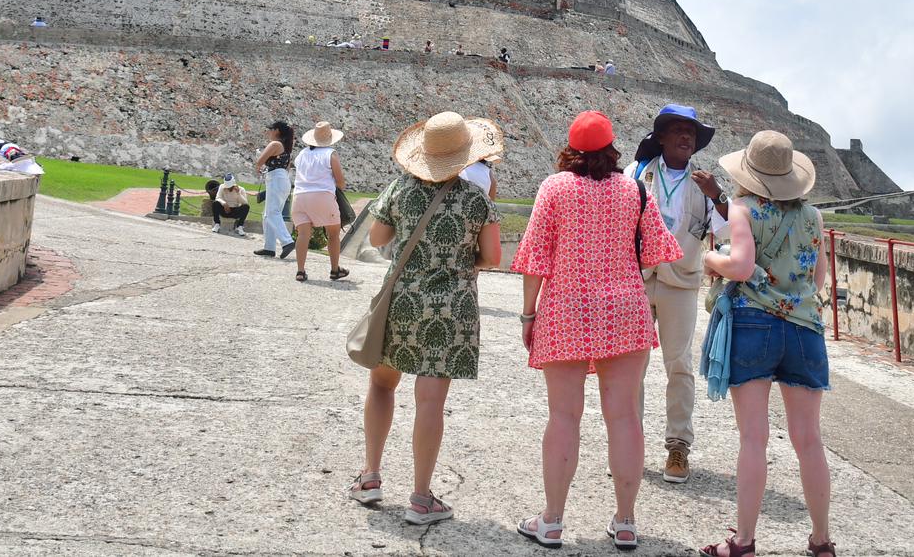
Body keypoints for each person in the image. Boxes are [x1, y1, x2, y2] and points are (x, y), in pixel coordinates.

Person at [513, 111, 682, 551]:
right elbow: (656, 252)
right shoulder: (634, 189)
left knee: (563, 416)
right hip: (625, 309)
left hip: (566, 308)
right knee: (624, 417)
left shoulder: (554, 188)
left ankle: (552, 520)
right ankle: (625, 522)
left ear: (570, 149)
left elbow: (535, 258)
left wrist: (528, 316)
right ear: (611, 148)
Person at [349, 112, 504, 524]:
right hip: (451, 308)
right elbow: (493, 257)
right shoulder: (477, 199)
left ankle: (370, 476)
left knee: (381, 384)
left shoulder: (399, 188)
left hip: (402, 300)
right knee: (431, 402)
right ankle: (421, 498)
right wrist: (462, 260)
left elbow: (377, 238)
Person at [698, 131, 834, 557]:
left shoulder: (743, 208)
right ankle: (821, 540)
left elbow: (740, 267)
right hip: (804, 328)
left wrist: (710, 258)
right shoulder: (813, 217)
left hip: (754, 324)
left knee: (753, 439)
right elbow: (818, 279)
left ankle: (743, 542)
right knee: (809, 440)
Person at [625, 105, 726, 484]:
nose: (686, 137)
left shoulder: (705, 184)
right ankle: (628, 445)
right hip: (637, 279)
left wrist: (718, 196)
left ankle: (678, 446)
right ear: (662, 137)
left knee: (679, 364)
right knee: (630, 366)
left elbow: (727, 230)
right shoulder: (636, 174)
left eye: (692, 132)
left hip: (681, 281)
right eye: (679, 130)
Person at [292, 121, 347, 281]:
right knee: (333, 233)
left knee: (303, 234)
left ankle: (300, 271)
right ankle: (335, 269)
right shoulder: (330, 154)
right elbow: (340, 181)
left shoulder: (301, 154)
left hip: (299, 196)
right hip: (322, 196)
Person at [252, 121, 297, 260]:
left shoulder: (275, 144)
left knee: (272, 213)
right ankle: (269, 247)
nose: (269, 132)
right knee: (268, 214)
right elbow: (286, 167)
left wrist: (259, 162)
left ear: (277, 130)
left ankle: (287, 241)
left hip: (276, 179)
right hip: (281, 178)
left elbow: (260, 161)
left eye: (270, 129)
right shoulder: (286, 148)